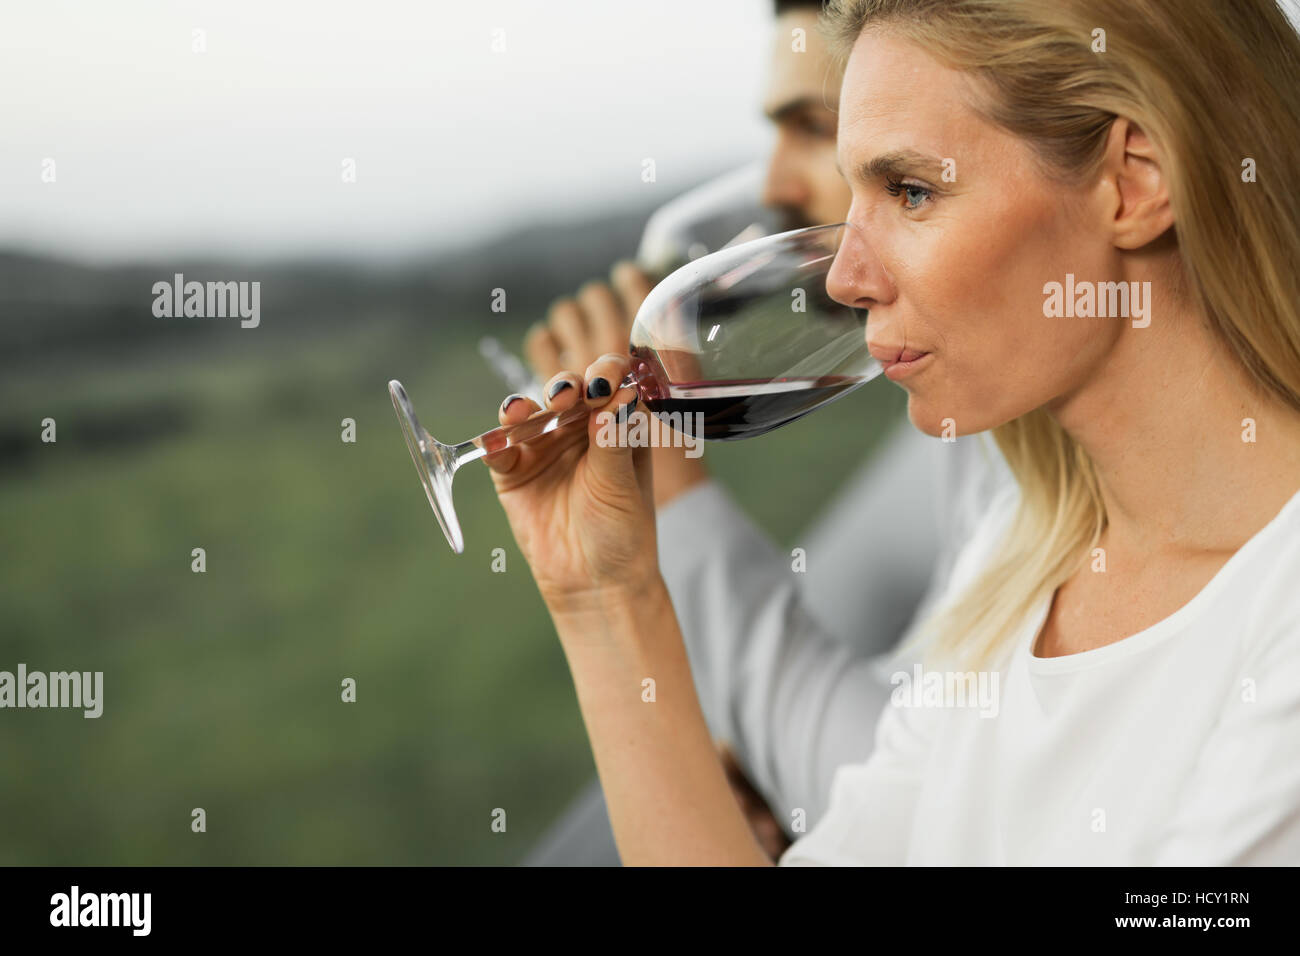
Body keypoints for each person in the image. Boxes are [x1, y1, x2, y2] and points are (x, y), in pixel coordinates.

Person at [490, 0, 1300, 865]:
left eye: (911, 191)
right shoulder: (1018, 559)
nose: (843, 278)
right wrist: (605, 598)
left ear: (1134, 181)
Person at [518, 0, 1011, 865]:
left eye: (814, 127)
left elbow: (910, 816)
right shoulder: (997, 434)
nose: (774, 185)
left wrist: (660, 482)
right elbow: (913, 757)